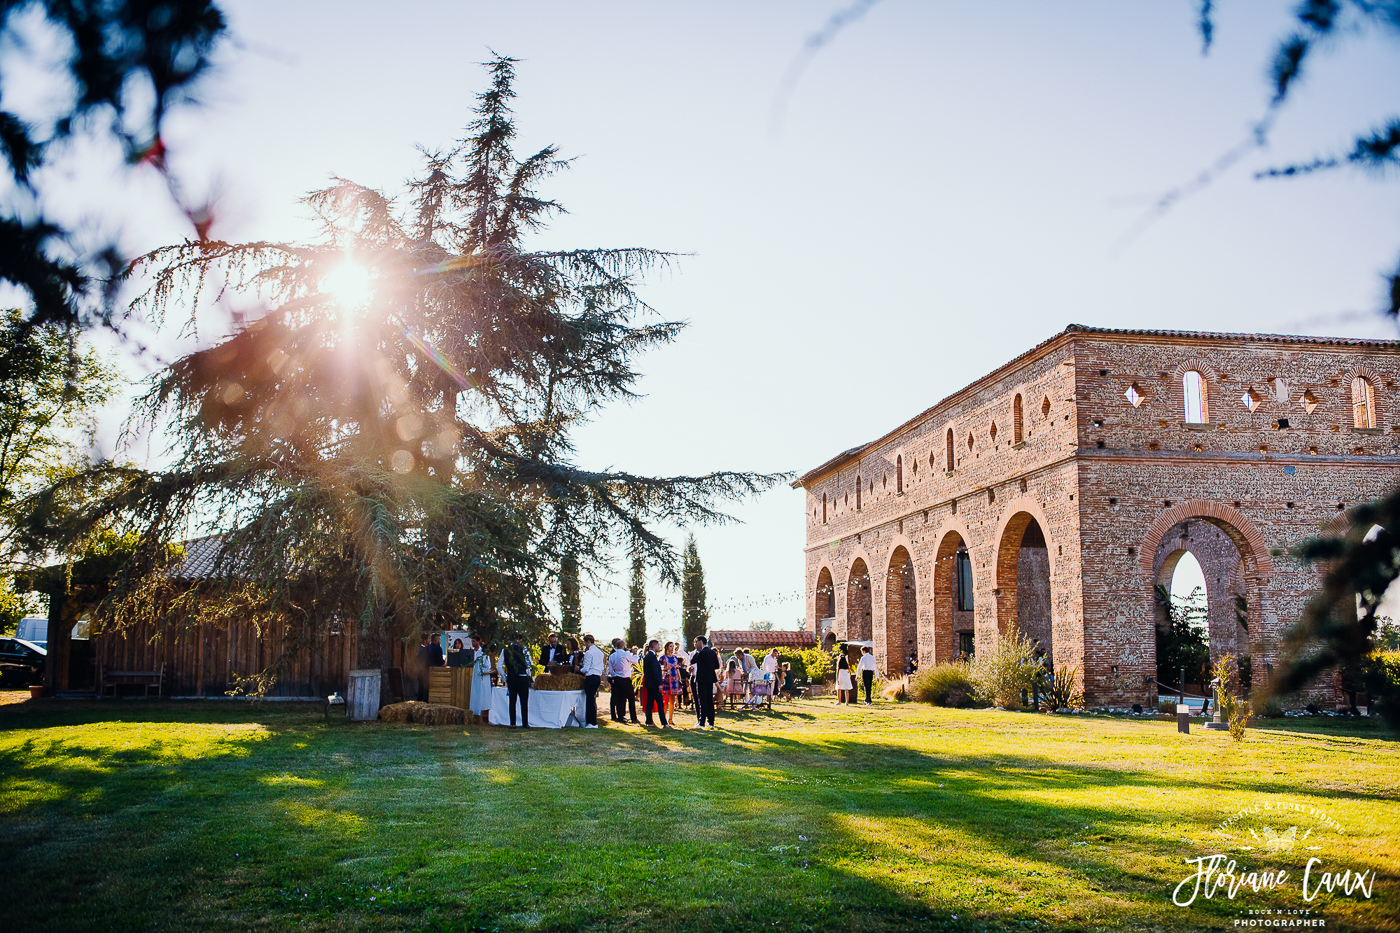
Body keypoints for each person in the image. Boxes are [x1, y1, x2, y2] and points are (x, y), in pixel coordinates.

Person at [502, 635, 534, 727]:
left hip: (511, 678)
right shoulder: (524, 649)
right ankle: (525, 723)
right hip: (522, 677)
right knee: (524, 701)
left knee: (512, 701)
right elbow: (529, 664)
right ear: (520, 640)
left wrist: (505, 677)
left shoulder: (505, 650)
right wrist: (528, 675)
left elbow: (499, 666)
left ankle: (513, 723)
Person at [691, 635, 721, 729]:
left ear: (700, 642)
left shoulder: (702, 652)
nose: (695, 645)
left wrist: (698, 652)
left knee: (702, 700)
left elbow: (693, 660)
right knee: (709, 700)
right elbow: (716, 666)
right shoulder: (712, 652)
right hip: (710, 678)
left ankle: (702, 722)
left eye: (696, 642)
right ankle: (711, 722)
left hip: (701, 678)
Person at [607, 638, 639, 724]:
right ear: (624, 646)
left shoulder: (612, 656)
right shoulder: (626, 654)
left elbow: (610, 669)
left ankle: (620, 717)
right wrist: (635, 654)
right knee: (631, 699)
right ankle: (633, 718)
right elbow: (635, 661)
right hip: (626, 679)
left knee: (619, 699)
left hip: (617, 679)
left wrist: (614, 677)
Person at [641, 639, 671, 728]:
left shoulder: (648, 656)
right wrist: (659, 684)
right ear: (654, 646)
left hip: (650, 684)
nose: (659, 647)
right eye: (658, 645)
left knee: (649, 703)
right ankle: (664, 723)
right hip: (654, 684)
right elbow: (654, 671)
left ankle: (649, 721)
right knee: (660, 704)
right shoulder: (651, 656)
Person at [579, 634, 604, 728]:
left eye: (585, 643)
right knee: (592, 699)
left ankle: (591, 722)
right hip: (597, 677)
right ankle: (593, 721)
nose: (585, 645)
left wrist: (579, 669)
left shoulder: (589, 653)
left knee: (589, 700)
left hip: (590, 677)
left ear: (588, 642)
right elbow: (601, 666)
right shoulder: (600, 652)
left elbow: (586, 668)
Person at [469, 635, 494, 723]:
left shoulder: (486, 657)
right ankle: (478, 717)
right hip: (480, 681)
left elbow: (488, 667)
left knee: (485, 698)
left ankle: (485, 717)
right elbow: (480, 671)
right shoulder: (480, 657)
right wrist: (489, 673)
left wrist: (490, 671)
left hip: (486, 681)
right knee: (479, 697)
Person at [660, 642, 682, 720]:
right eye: (670, 646)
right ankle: (663, 718)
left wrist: (679, 678)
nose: (672, 648)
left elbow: (677, 668)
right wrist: (665, 668)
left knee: (672, 700)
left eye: (673, 646)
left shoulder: (675, 658)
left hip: (674, 679)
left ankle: (670, 718)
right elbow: (659, 668)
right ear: (666, 647)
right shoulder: (662, 658)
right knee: (665, 700)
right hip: (666, 679)